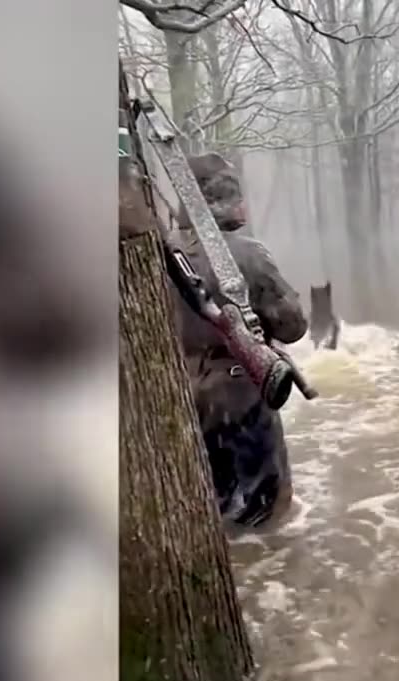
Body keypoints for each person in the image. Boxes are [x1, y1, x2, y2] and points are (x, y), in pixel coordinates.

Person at [163, 152, 307, 527]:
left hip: (189, 399)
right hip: (243, 396)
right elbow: (293, 326)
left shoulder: (160, 253)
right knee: (271, 519)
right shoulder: (247, 253)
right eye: (235, 193)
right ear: (220, 201)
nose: (244, 203)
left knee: (220, 507)